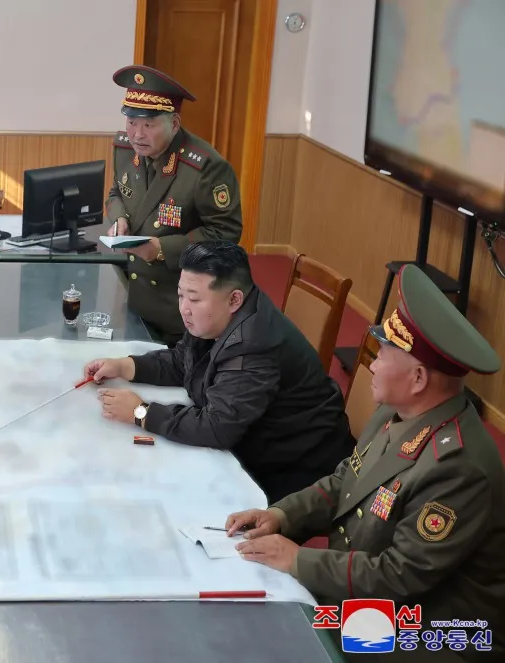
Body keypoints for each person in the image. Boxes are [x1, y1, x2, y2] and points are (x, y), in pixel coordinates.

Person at [228, 264, 504, 660]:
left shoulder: (457, 467)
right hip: (370, 594)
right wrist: (282, 515)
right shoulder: (396, 412)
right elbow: (346, 480)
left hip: (430, 629)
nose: (371, 364)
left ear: (418, 379)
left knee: (273, 640)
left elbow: (398, 575)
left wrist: (299, 560)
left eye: (383, 354)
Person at [85, 240, 355, 503]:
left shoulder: (254, 348)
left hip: (296, 471)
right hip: (256, 439)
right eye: (180, 295)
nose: (184, 309)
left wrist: (141, 412)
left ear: (234, 299)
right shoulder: (217, 316)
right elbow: (183, 362)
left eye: (194, 299)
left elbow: (216, 427)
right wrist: (125, 366)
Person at [105, 65, 243, 346]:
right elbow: (116, 192)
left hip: (180, 308)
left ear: (175, 124)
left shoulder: (205, 167)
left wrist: (161, 249)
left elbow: (225, 234)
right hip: (135, 295)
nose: (137, 134)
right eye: (131, 122)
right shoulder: (126, 150)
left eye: (149, 125)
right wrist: (119, 218)